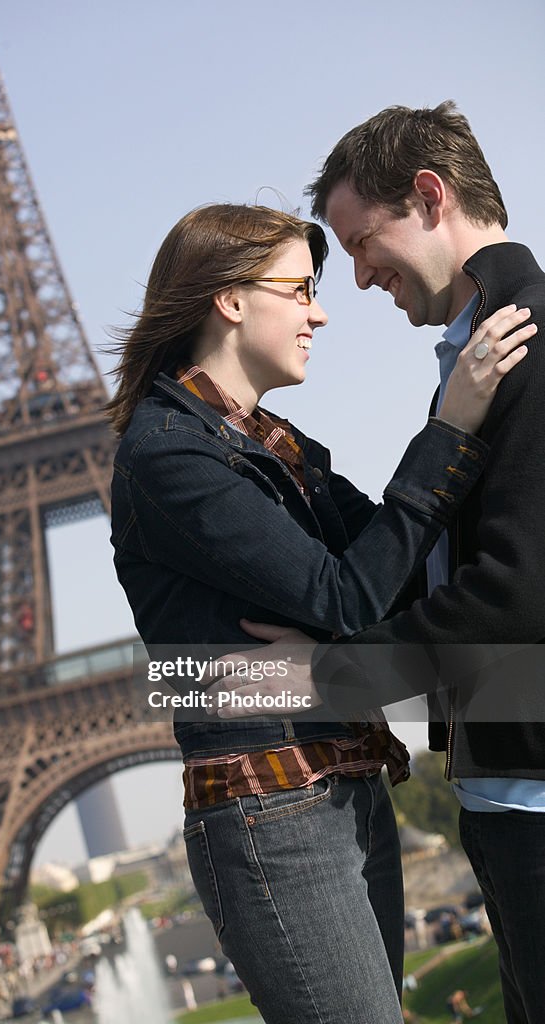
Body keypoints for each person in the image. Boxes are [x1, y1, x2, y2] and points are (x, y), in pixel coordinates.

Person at [108, 202, 529, 1024]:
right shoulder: (166, 453)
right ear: (230, 301)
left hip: (341, 786)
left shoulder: (271, 443)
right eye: (299, 289)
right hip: (274, 814)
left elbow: (389, 572)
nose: (321, 310)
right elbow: (347, 594)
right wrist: (450, 428)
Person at [221, 102, 544, 1024]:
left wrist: (330, 675)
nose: (356, 280)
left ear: (431, 197)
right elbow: (447, 567)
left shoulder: (528, 344)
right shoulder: (479, 353)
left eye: (362, 242)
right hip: (506, 786)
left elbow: (516, 595)